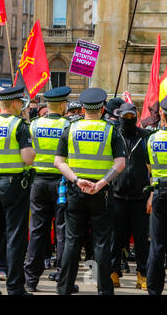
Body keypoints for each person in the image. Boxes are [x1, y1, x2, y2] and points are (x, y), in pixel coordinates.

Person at [54, 87, 126, 295]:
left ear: (83, 108)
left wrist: (77, 180)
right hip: (100, 193)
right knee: (102, 243)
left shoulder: (70, 128)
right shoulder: (111, 130)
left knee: (72, 242)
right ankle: (104, 290)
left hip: (76, 191)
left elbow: (59, 162)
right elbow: (120, 164)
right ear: (103, 109)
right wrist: (101, 183)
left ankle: (64, 288)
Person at [0, 84, 36, 295]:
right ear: (15, 103)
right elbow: (28, 158)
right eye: (21, 102)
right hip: (13, 185)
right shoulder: (19, 125)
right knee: (15, 237)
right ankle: (15, 287)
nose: (22, 105)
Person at [24, 86, 79, 292]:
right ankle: (64, 281)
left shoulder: (34, 124)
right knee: (63, 231)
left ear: (47, 105)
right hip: (63, 182)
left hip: (38, 182)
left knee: (37, 230)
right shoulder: (69, 125)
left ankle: (31, 280)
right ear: (63, 105)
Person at [110, 102, 150, 290]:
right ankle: (113, 272)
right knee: (115, 238)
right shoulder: (113, 135)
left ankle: (142, 274)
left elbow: (152, 166)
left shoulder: (145, 137)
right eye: (124, 117)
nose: (127, 120)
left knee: (141, 240)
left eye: (130, 117)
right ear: (119, 117)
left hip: (139, 198)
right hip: (116, 196)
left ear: (136, 116)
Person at [146, 97, 167, 295]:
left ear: (161, 113)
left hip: (160, 192)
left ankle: (154, 289)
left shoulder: (152, 138)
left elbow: (150, 168)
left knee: (157, 245)